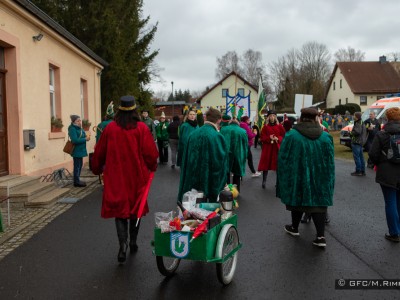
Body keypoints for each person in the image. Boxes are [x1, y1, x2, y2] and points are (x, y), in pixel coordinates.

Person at [91, 96, 158, 263]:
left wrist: (96, 168)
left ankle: (123, 245)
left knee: (120, 211)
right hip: (136, 176)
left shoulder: (111, 129)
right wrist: (152, 165)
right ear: (135, 110)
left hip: (116, 177)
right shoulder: (141, 128)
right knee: (136, 208)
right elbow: (150, 153)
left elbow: (99, 152)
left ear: (119, 110)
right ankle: (133, 241)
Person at [277, 107, 335, 248]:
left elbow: (283, 158)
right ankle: (320, 236)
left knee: (297, 198)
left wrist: (284, 175)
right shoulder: (326, 137)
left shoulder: (291, 136)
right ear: (316, 118)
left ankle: (294, 228)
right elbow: (330, 161)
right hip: (320, 177)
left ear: (301, 118)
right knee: (319, 203)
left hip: (298, 175)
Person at [178, 107, 228, 204]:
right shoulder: (217, 136)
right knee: (207, 213)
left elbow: (185, 159)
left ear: (205, 118)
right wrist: (221, 184)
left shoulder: (192, 134)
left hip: (191, 182)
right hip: (208, 184)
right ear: (219, 120)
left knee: (192, 211)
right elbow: (220, 164)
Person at [368, 107, 400, 243]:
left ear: (387, 118)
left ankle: (394, 232)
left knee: (390, 202)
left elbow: (373, 153)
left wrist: (378, 163)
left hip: (386, 171)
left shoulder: (382, 134)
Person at [257, 110, 286, 189]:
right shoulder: (265, 127)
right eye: (270, 116)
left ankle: (278, 182)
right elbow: (262, 138)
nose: (272, 117)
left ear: (275, 117)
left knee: (277, 165)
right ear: (268, 117)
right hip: (267, 148)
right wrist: (268, 138)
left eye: (273, 116)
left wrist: (278, 138)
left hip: (276, 148)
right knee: (265, 165)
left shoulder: (279, 126)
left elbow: (283, 136)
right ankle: (264, 181)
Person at [220, 117, 248, 192]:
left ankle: (227, 190)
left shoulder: (223, 129)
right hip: (238, 153)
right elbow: (245, 144)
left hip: (226, 153)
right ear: (238, 124)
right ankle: (236, 190)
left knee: (226, 172)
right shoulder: (242, 131)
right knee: (237, 173)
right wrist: (245, 155)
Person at [68, 115, 90, 187]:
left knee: (80, 165)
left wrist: (87, 137)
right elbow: (74, 140)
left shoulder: (80, 128)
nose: (79, 122)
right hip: (76, 150)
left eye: (80, 120)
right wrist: (85, 139)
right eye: (78, 121)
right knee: (77, 166)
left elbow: (83, 136)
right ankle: (76, 181)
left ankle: (78, 180)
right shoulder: (72, 129)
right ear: (73, 121)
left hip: (81, 150)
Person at [350, 112, 368, 176]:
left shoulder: (358, 123)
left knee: (357, 157)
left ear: (356, 116)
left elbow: (357, 132)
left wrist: (351, 133)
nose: (353, 116)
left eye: (354, 115)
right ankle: (362, 171)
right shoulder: (361, 122)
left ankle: (358, 171)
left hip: (357, 141)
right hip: (360, 142)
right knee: (361, 157)